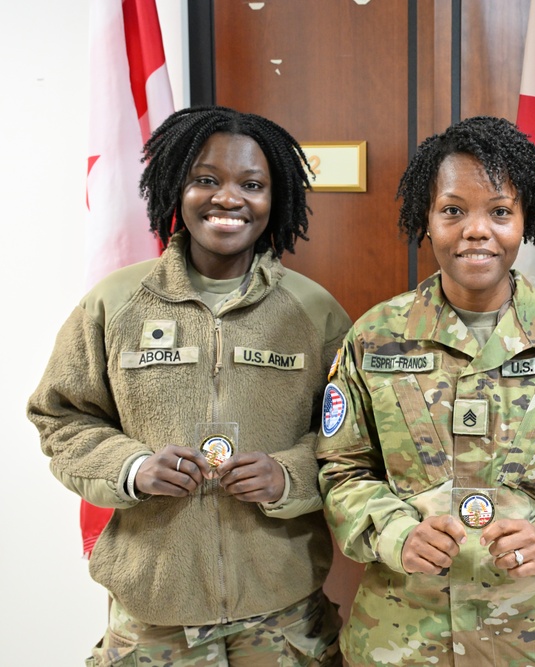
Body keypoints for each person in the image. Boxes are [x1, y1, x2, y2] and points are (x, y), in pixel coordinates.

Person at [27, 106, 351, 666]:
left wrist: (288, 474)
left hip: (281, 613)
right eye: (206, 179)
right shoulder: (116, 302)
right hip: (153, 614)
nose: (228, 198)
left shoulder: (314, 312)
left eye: (252, 184)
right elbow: (61, 417)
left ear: (275, 200)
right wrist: (131, 467)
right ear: (176, 188)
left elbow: (352, 439)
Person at [317, 115, 535, 666]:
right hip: (403, 640)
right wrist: (394, 533)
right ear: (427, 220)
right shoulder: (375, 337)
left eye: (500, 211)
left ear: (525, 221)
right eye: (453, 210)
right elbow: (341, 470)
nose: (477, 230)